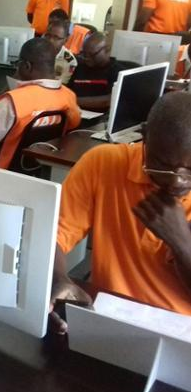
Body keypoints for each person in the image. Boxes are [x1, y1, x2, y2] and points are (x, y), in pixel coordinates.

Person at [50, 91, 191, 334]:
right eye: (162, 164)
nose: (177, 181)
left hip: (180, 332)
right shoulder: (103, 163)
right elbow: (54, 234)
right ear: (144, 135)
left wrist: (181, 243)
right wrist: (58, 279)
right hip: (108, 318)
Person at [0, 38, 81, 169]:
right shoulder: (68, 96)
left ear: (26, 66)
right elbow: (73, 127)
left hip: (5, 168)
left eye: (18, 63)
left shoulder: (13, 101)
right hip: (44, 168)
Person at [67, 32, 138, 111]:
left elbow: (108, 100)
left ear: (107, 50)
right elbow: (68, 91)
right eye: (84, 54)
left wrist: (73, 101)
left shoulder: (117, 71)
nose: (87, 58)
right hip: (74, 111)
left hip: (100, 116)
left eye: (92, 54)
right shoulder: (80, 67)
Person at [44, 17, 77, 84]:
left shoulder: (70, 61)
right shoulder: (38, 51)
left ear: (66, 39)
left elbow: (62, 85)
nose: (50, 40)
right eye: (48, 36)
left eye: (56, 37)